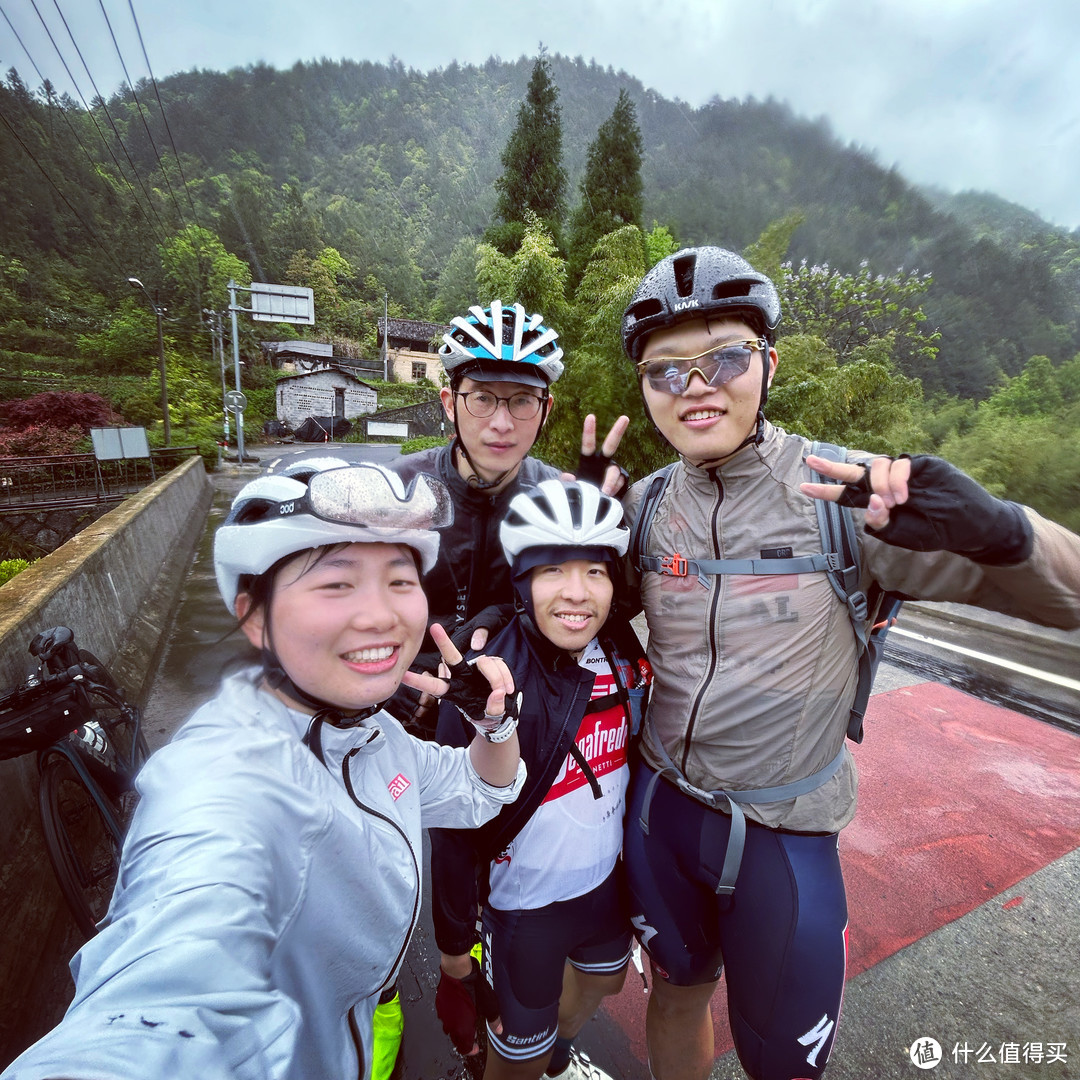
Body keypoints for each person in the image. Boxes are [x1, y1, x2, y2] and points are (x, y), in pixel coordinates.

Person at [616, 246, 1080, 1080]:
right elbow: (568, 623)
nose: (694, 387)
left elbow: (1063, 601)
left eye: (724, 358)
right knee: (677, 996)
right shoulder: (647, 504)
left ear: (769, 364)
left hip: (782, 837)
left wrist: (1007, 531)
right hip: (658, 815)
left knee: (781, 1064)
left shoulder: (848, 495)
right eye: (664, 371)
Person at [2, 461, 526, 1080]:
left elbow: (480, 789)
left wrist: (494, 722)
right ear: (254, 616)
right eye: (336, 583)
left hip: (359, 1031)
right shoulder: (224, 781)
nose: (383, 615)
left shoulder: (373, 735)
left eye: (400, 579)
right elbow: (160, 998)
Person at [431, 480, 652, 1080]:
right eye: (552, 569)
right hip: (524, 905)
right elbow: (451, 829)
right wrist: (454, 954)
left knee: (605, 979)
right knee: (517, 1055)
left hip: (607, 885)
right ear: (522, 581)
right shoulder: (490, 680)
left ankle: (558, 1053)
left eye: (595, 572)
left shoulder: (619, 645)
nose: (577, 593)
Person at [390, 300, 629, 709]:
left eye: (521, 401)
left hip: (508, 701)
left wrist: (587, 522)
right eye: (482, 398)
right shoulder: (397, 490)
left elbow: (600, 603)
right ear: (449, 403)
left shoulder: (552, 493)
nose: (501, 424)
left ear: (545, 410)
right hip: (401, 700)